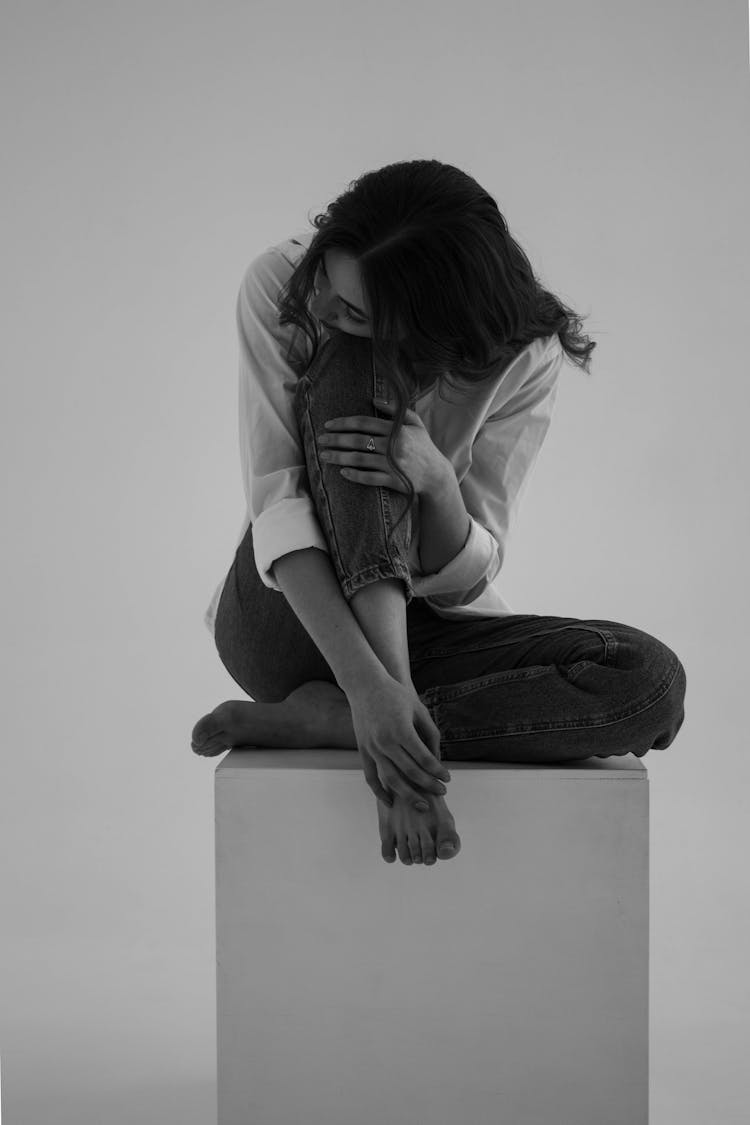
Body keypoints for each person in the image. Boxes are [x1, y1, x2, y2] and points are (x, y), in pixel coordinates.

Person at [191, 159, 687, 868]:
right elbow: (279, 507)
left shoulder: (525, 357)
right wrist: (374, 687)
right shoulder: (278, 285)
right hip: (289, 620)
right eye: (327, 283)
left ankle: (333, 723)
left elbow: (464, 578)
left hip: (424, 625)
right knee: (351, 375)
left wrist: (435, 483)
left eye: (356, 311)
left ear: (430, 327)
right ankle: (376, 706)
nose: (326, 308)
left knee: (651, 682)